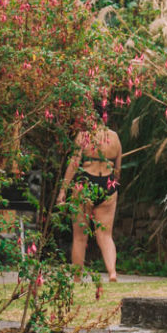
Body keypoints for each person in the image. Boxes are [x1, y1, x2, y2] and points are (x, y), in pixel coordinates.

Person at [57, 100, 123, 293]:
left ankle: (77, 278)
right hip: (108, 186)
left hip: (85, 183)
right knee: (106, 234)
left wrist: (63, 190)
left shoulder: (83, 136)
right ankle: (112, 272)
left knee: (79, 236)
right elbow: (117, 170)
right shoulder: (115, 137)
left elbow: (73, 165)